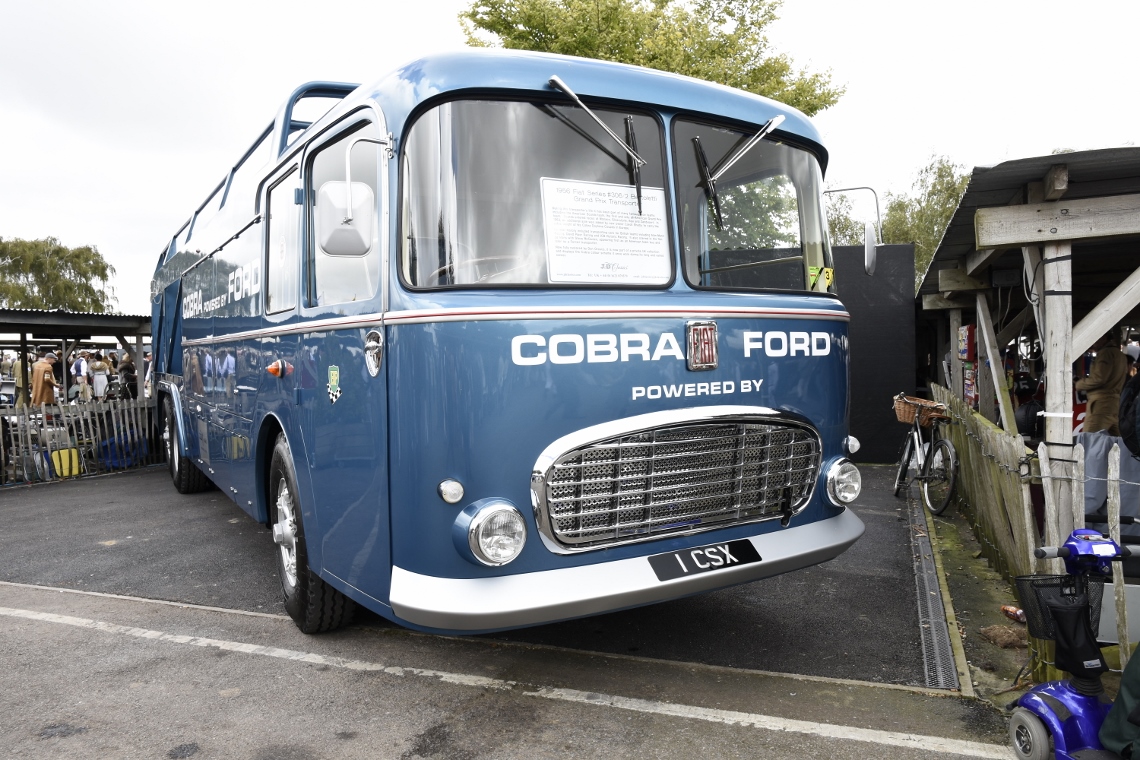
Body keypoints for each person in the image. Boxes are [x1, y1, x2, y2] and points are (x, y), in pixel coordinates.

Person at [1076, 330, 1129, 435]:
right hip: (1114, 403)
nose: (1092, 344)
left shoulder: (1105, 353)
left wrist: (1079, 384)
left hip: (1101, 404)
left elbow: (1099, 378)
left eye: (1095, 340)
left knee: (1089, 439)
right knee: (1118, 442)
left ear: (1104, 338)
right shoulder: (1120, 355)